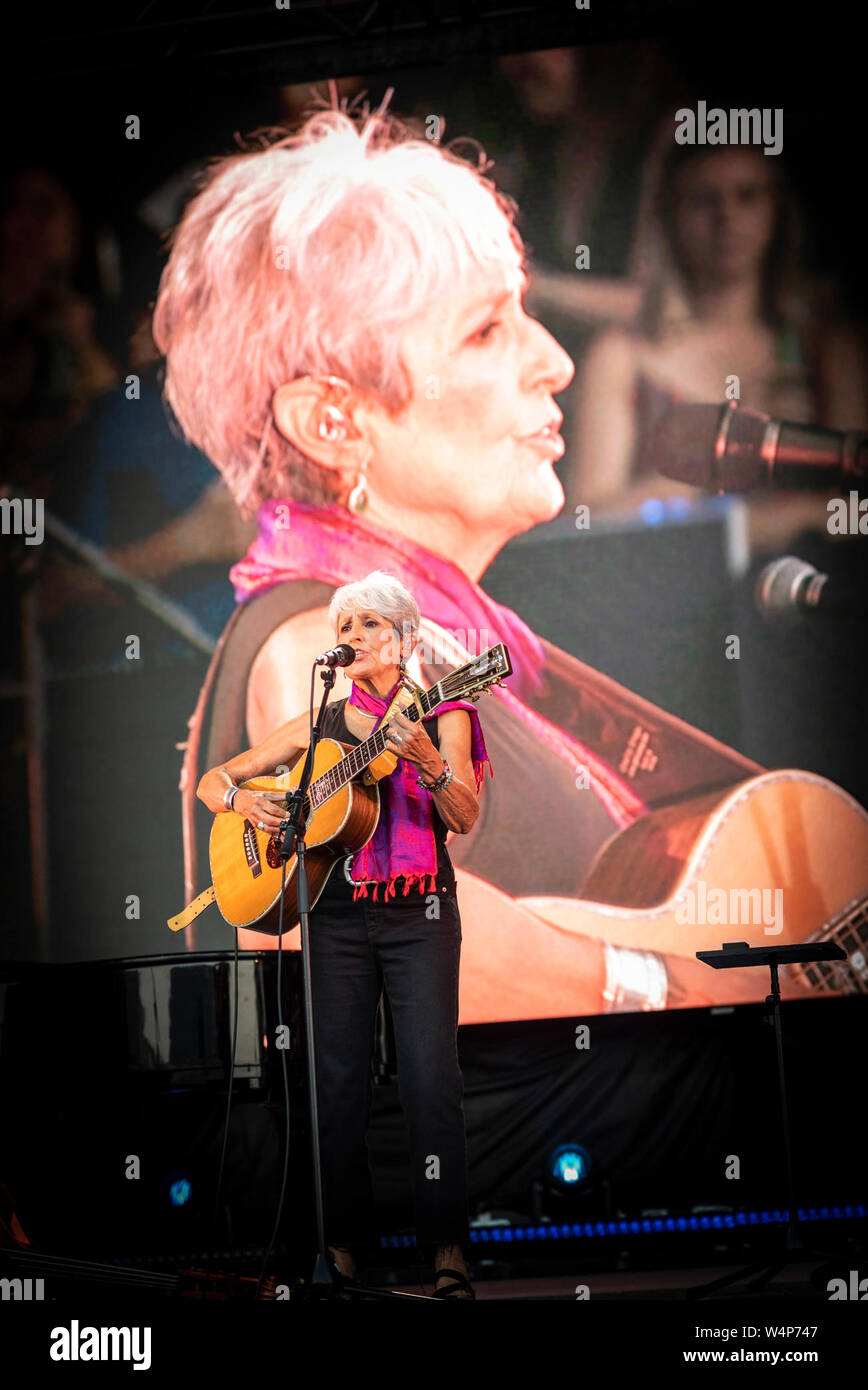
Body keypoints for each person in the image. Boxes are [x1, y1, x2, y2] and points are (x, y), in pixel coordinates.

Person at [155, 100, 834, 1022]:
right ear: (333, 421)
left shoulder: (449, 642)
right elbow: (388, 911)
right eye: (485, 332)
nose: (555, 360)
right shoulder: (320, 643)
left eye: (528, 317)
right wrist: (664, 985)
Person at [196, 572, 484, 1297]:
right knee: (336, 1087)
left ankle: (447, 1252)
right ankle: (342, 1253)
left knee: (429, 1080)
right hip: (335, 914)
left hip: (419, 912)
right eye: (344, 625)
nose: (350, 637)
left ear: (407, 640)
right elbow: (212, 782)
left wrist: (425, 759)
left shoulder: (445, 707)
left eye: (368, 625)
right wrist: (244, 804)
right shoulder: (320, 721)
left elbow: (465, 814)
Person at [565, 136, 868, 546]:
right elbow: (582, 527)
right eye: (703, 200)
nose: (726, 217)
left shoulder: (828, 350)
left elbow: (855, 512)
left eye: (747, 196)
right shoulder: (622, 355)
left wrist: (687, 515)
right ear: (670, 215)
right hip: (664, 596)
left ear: (777, 209)